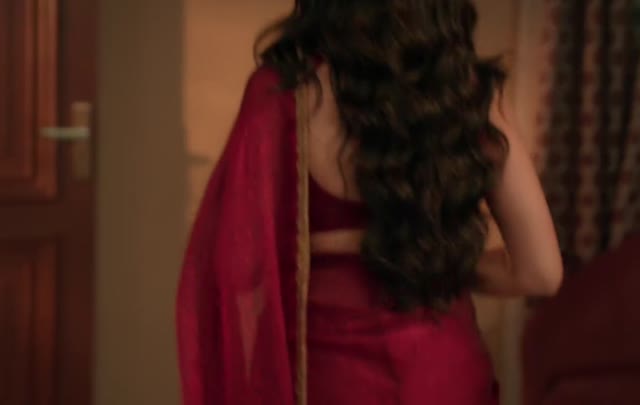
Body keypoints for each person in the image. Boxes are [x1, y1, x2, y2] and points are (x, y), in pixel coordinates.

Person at [176, 1, 563, 404]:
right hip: (444, 377)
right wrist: (427, 256)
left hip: (329, 378)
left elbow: (235, 262)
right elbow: (541, 272)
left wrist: (339, 245)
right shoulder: (470, 95)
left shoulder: (284, 91)